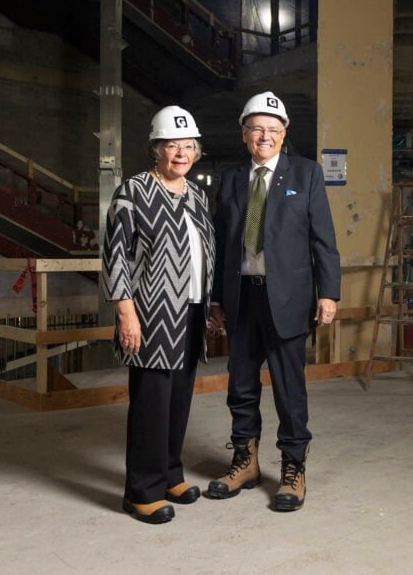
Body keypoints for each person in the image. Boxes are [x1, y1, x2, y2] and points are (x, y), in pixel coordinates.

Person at [205, 91, 341, 512]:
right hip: (242, 298)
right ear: (244, 133)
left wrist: (329, 293)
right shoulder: (229, 179)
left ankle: (293, 466)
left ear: (284, 134)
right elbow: (218, 245)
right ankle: (245, 462)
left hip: (287, 299)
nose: (265, 136)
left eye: (273, 129)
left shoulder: (307, 174)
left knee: (288, 389)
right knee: (241, 386)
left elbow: (323, 240)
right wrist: (215, 299)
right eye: (257, 128)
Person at [101, 106, 215, 525]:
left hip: (192, 310)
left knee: (178, 399)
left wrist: (211, 302)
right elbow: (115, 256)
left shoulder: (197, 194)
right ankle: (141, 492)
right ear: (156, 149)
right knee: (151, 403)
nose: (180, 154)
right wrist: (125, 313)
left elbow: (203, 252)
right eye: (172, 146)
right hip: (151, 313)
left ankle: (170, 474)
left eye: (187, 146)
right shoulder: (133, 192)